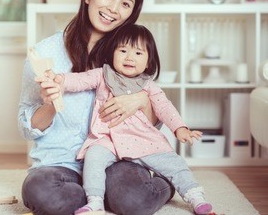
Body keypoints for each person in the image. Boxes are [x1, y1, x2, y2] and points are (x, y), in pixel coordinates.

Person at [18, 0, 175, 215]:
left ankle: (164, 182)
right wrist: (49, 103)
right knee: (39, 191)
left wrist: (140, 101)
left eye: (125, 3)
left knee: (134, 201)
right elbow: (26, 125)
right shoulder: (45, 53)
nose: (113, 9)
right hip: (60, 163)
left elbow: (153, 122)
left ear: (132, 13)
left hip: (116, 157)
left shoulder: (128, 56)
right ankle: (98, 196)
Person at [43, 24, 213, 215]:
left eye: (138, 53)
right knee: (93, 157)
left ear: (149, 61)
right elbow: (80, 80)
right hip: (107, 138)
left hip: (143, 139)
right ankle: (95, 201)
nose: (129, 57)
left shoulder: (148, 85)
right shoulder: (102, 75)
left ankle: (195, 196)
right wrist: (59, 80)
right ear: (112, 53)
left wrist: (180, 128)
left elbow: (165, 108)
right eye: (123, 50)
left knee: (174, 163)